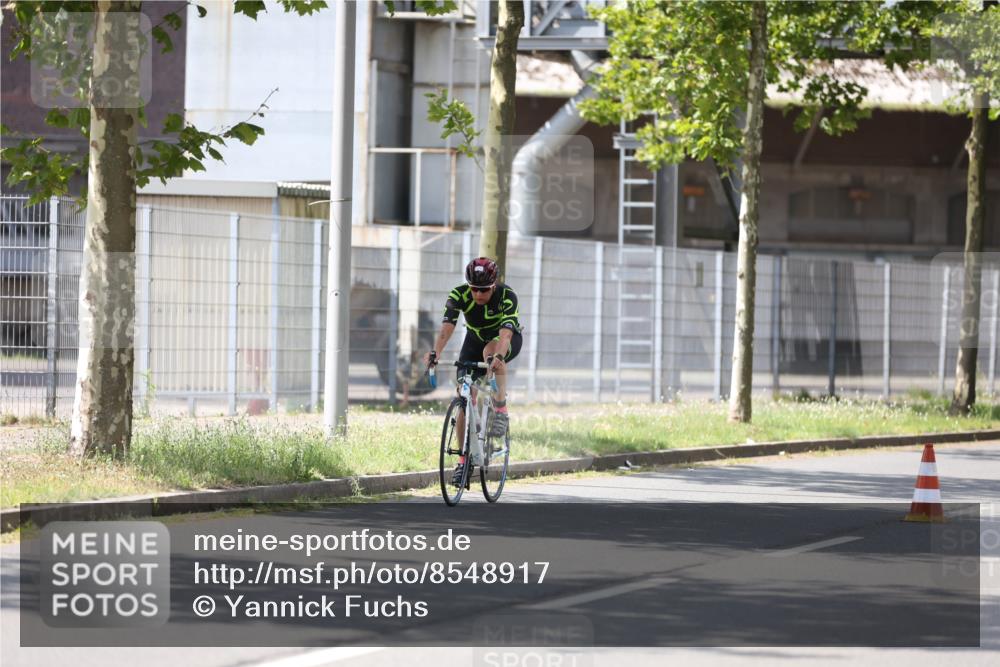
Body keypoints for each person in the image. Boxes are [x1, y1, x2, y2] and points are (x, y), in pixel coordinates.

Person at [424, 257, 522, 484]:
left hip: (504, 339)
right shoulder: (458, 294)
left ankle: (500, 407)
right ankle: (463, 460)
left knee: (490, 353)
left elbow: (506, 335)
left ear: (493, 285)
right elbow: (447, 326)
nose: (478, 294)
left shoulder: (507, 296)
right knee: (464, 396)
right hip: (474, 340)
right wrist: (436, 352)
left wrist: (498, 356)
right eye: (474, 289)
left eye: (484, 290)